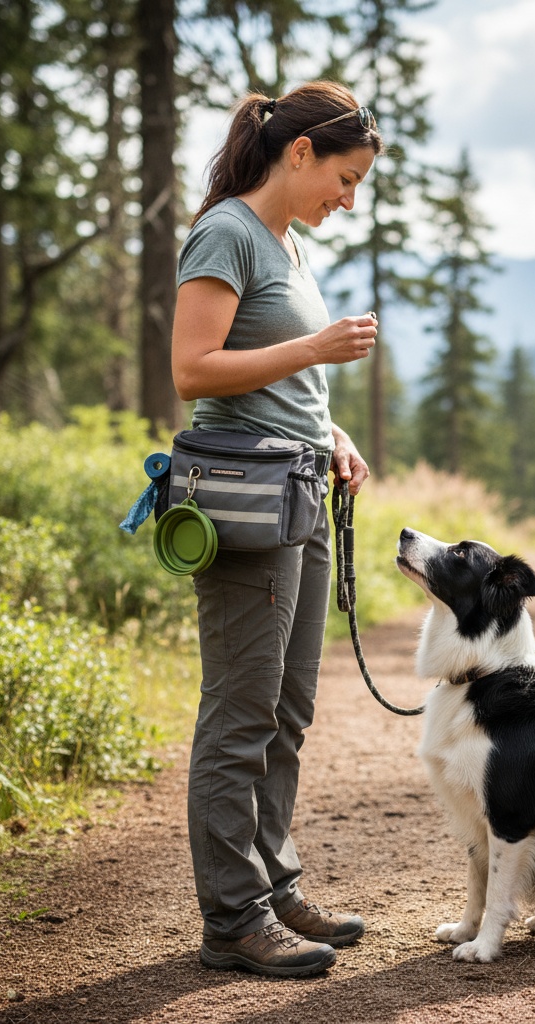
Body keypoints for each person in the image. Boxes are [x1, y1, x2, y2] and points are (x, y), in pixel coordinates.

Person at [170, 81, 383, 979]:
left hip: (298, 488)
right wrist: (314, 349)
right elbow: (193, 369)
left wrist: (329, 431)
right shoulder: (226, 233)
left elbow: (275, 379)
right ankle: (233, 920)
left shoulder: (288, 245)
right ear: (298, 154)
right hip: (243, 502)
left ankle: (273, 883)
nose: (351, 196)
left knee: (288, 709)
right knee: (241, 711)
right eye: (346, 176)